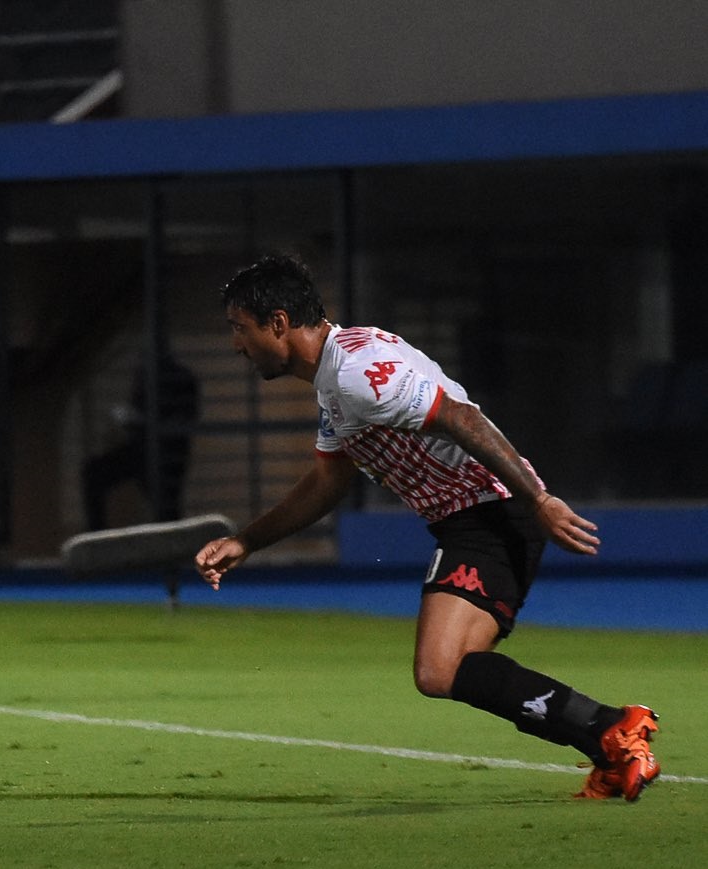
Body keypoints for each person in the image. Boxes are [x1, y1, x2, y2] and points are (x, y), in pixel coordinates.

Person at [194, 253, 660, 802]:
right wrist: (247, 540)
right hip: (474, 519)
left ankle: (611, 730)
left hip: (490, 513)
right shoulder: (336, 380)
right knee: (449, 670)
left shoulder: (358, 375)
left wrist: (540, 500)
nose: (236, 345)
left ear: (277, 323)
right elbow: (327, 483)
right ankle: (609, 740)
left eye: (239, 329)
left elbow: (463, 418)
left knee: (439, 670)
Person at [82, 350, 199, 530]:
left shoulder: (178, 379)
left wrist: (144, 421)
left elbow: (183, 419)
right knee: (93, 473)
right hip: (143, 450)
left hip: (166, 454)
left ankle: (172, 544)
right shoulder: (148, 376)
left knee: (167, 507)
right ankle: (97, 536)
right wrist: (134, 420)